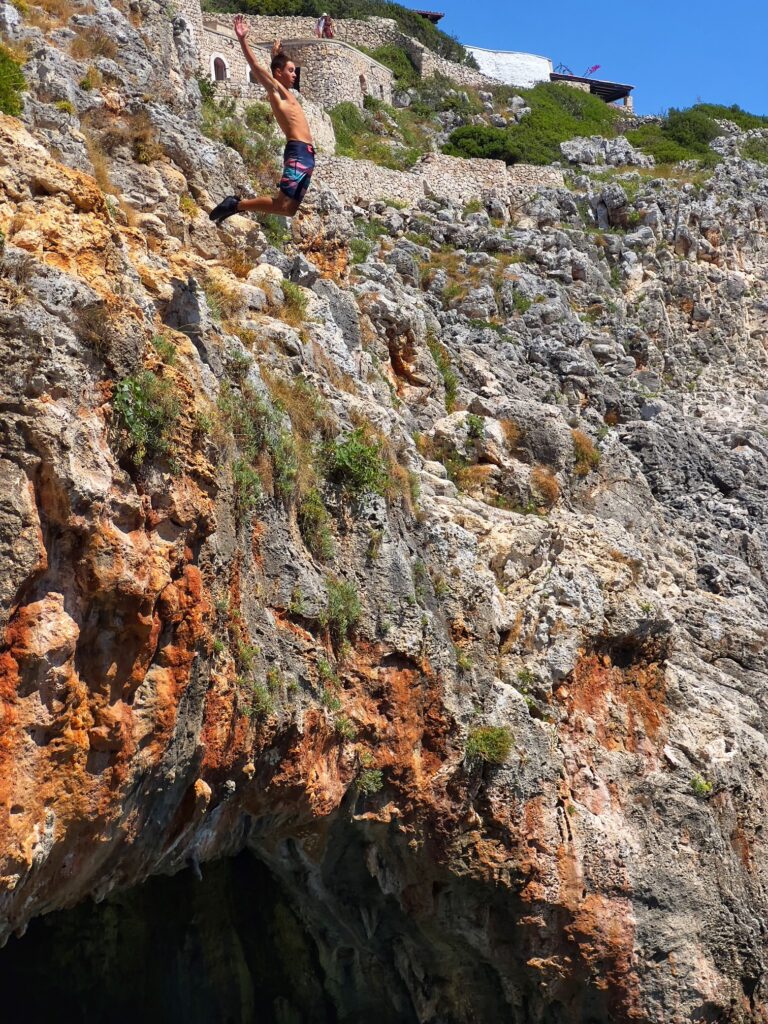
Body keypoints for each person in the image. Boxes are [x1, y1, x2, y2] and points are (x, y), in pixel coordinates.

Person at [209, 14, 315, 224]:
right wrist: (242, 40)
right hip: (298, 152)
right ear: (278, 73)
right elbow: (257, 67)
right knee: (283, 204)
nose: (295, 75)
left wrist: (277, 54)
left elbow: (275, 66)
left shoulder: (287, 92)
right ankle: (235, 205)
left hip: (308, 155)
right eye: (291, 71)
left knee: (288, 210)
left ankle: (236, 205)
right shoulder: (276, 91)